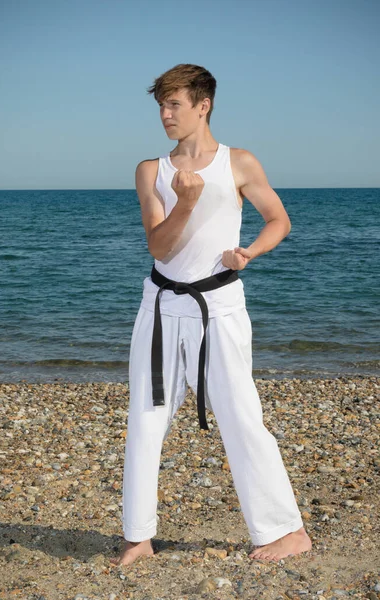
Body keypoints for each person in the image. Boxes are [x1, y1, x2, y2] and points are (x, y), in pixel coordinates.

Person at [112, 63, 312, 567]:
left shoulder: (238, 163)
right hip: (160, 308)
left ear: (203, 106)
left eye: (174, 104)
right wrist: (185, 202)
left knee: (241, 416)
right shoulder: (150, 170)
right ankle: (138, 536)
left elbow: (278, 220)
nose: (164, 114)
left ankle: (286, 531)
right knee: (146, 417)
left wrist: (249, 252)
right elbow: (159, 246)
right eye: (160, 104)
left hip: (219, 308)